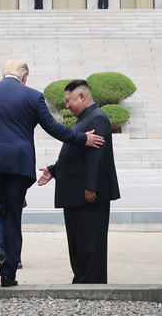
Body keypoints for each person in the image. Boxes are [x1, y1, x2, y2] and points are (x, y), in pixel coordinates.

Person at [0, 59, 105, 287]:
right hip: (18, 165)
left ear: (3, 73)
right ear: (24, 77)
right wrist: (83, 138)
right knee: (12, 217)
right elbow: (53, 128)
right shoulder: (32, 96)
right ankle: (8, 275)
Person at [38, 80, 120, 284]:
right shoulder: (85, 118)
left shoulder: (97, 118)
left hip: (87, 193)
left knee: (90, 241)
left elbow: (97, 156)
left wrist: (91, 186)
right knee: (78, 241)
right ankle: (82, 278)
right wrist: (54, 169)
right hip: (76, 192)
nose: (66, 105)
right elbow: (75, 151)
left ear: (82, 97)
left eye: (68, 101)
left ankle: (92, 281)